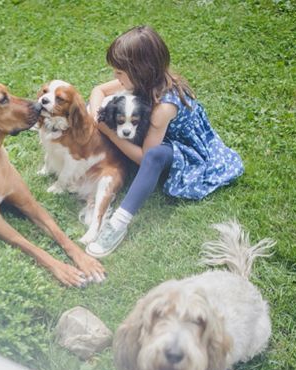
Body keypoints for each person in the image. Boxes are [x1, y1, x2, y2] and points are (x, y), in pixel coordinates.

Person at [85, 25, 244, 257]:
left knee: (154, 157)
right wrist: (95, 113)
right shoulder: (145, 80)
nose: (114, 78)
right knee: (98, 108)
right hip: (156, 134)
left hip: (186, 150)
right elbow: (98, 89)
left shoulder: (164, 107)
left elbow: (144, 157)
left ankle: (118, 223)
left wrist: (108, 132)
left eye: (119, 73)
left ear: (139, 71)